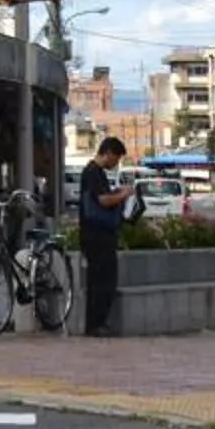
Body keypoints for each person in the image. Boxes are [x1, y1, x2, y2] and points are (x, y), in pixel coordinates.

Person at [78, 137, 140, 338]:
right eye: (117, 158)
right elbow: (103, 200)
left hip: (100, 234)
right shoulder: (93, 172)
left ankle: (98, 323)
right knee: (102, 280)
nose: (117, 163)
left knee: (104, 279)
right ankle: (96, 324)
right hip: (97, 235)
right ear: (109, 153)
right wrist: (123, 195)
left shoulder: (97, 173)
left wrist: (117, 192)